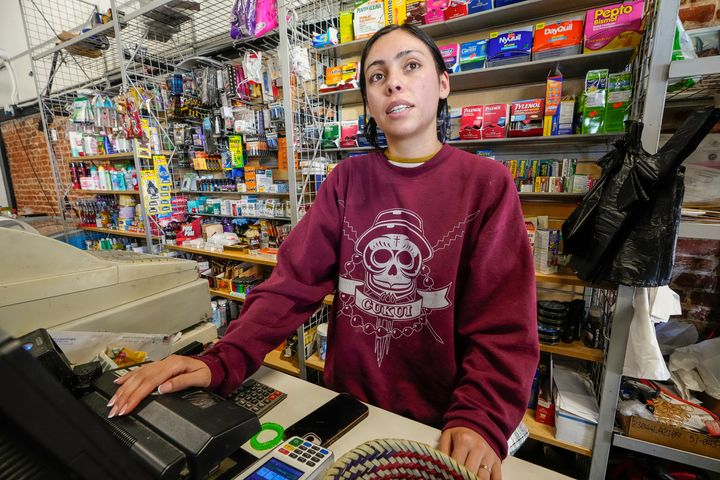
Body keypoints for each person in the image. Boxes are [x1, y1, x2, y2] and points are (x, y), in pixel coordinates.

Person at [109, 24, 539, 479]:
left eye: (411, 66)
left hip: (442, 428)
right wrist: (221, 358)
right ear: (370, 102)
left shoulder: (487, 185)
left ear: (443, 83)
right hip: (350, 412)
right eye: (377, 75)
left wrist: (481, 416)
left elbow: (504, 326)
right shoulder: (347, 181)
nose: (394, 81)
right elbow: (289, 286)